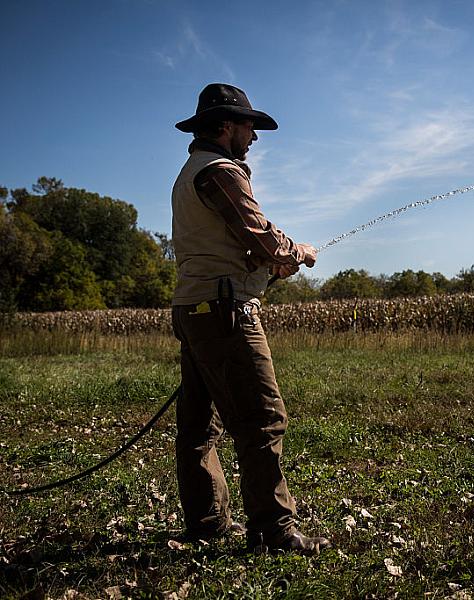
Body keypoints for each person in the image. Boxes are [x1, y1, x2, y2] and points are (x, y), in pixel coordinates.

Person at [170, 83, 330, 554]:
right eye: (248, 127)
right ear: (225, 127)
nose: (254, 137)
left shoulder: (190, 172)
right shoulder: (221, 171)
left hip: (197, 309)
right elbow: (260, 236)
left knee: (198, 427)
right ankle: (273, 531)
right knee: (263, 420)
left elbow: (237, 242)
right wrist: (295, 253)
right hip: (226, 314)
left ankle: (207, 523)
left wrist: (268, 259)